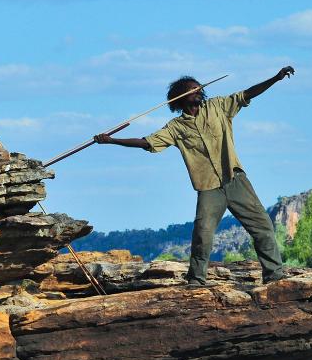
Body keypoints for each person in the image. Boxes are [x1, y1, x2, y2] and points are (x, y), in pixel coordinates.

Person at [94, 67, 295, 286]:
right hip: (208, 187)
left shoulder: (218, 106)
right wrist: (112, 140)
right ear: (180, 97)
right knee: (203, 233)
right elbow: (147, 142)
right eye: (192, 89)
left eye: (199, 87)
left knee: (263, 226)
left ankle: (274, 275)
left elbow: (247, 94)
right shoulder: (176, 128)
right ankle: (197, 279)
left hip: (235, 178)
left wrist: (276, 78)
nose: (198, 90)